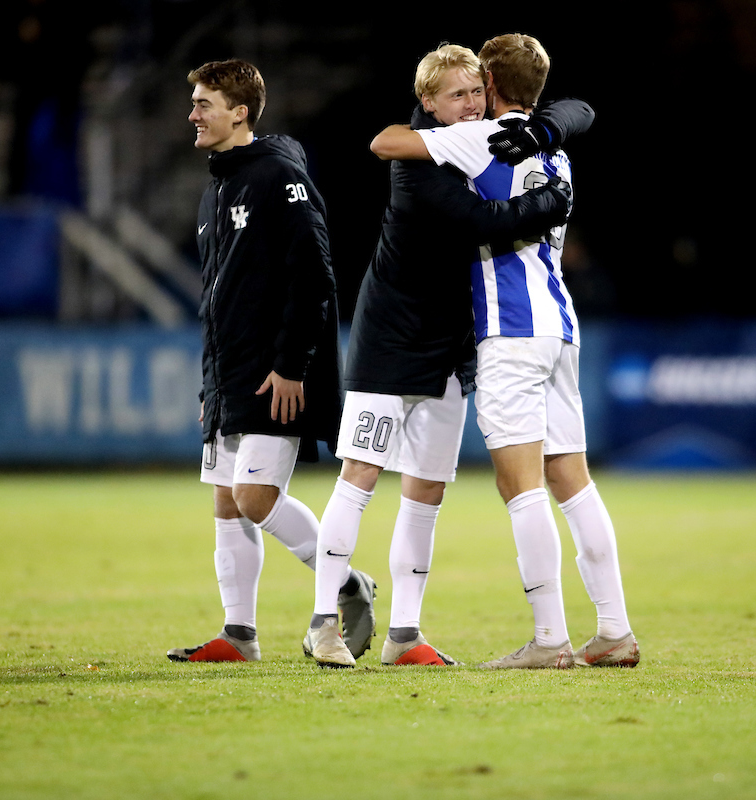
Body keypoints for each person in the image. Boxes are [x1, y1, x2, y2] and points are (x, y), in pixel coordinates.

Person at [305, 43, 584, 668]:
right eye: (455, 96)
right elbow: (474, 221)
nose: (470, 106)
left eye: (476, 93)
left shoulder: (483, 140)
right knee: (360, 477)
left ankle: (406, 633)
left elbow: (578, 109)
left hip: (454, 343)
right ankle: (324, 621)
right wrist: (546, 205)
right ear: (428, 103)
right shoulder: (420, 156)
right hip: (392, 338)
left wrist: (549, 123)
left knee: (427, 491)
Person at [370, 33, 639, 669]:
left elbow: (387, 143)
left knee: (521, 488)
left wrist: (442, 117)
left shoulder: (481, 138)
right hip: (562, 328)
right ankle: (615, 630)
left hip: (511, 331)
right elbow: (577, 113)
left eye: (476, 86)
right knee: (572, 481)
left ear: (489, 84)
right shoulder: (559, 155)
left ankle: (549, 641)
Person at [168, 59, 375, 663]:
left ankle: (346, 582)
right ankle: (239, 635)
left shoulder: (279, 176)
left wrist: (291, 364)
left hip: (271, 371)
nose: (193, 114)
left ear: (240, 112)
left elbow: (314, 275)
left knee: (255, 498)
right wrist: (212, 381)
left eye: (204, 103)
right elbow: (218, 296)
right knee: (226, 502)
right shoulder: (217, 186)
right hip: (229, 373)